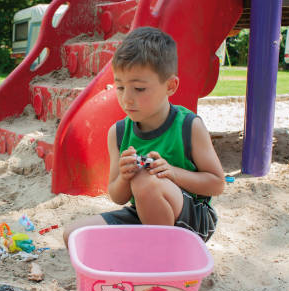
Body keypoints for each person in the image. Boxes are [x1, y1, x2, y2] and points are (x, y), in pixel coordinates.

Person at [63, 26, 225, 247]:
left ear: (170, 85)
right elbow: (117, 196)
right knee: (74, 235)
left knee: (146, 182)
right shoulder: (118, 133)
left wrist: (173, 173)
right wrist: (124, 176)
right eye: (120, 87)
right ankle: (145, 250)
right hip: (143, 214)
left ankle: (161, 259)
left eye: (139, 89)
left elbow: (216, 184)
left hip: (192, 221)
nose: (127, 99)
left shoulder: (189, 126)